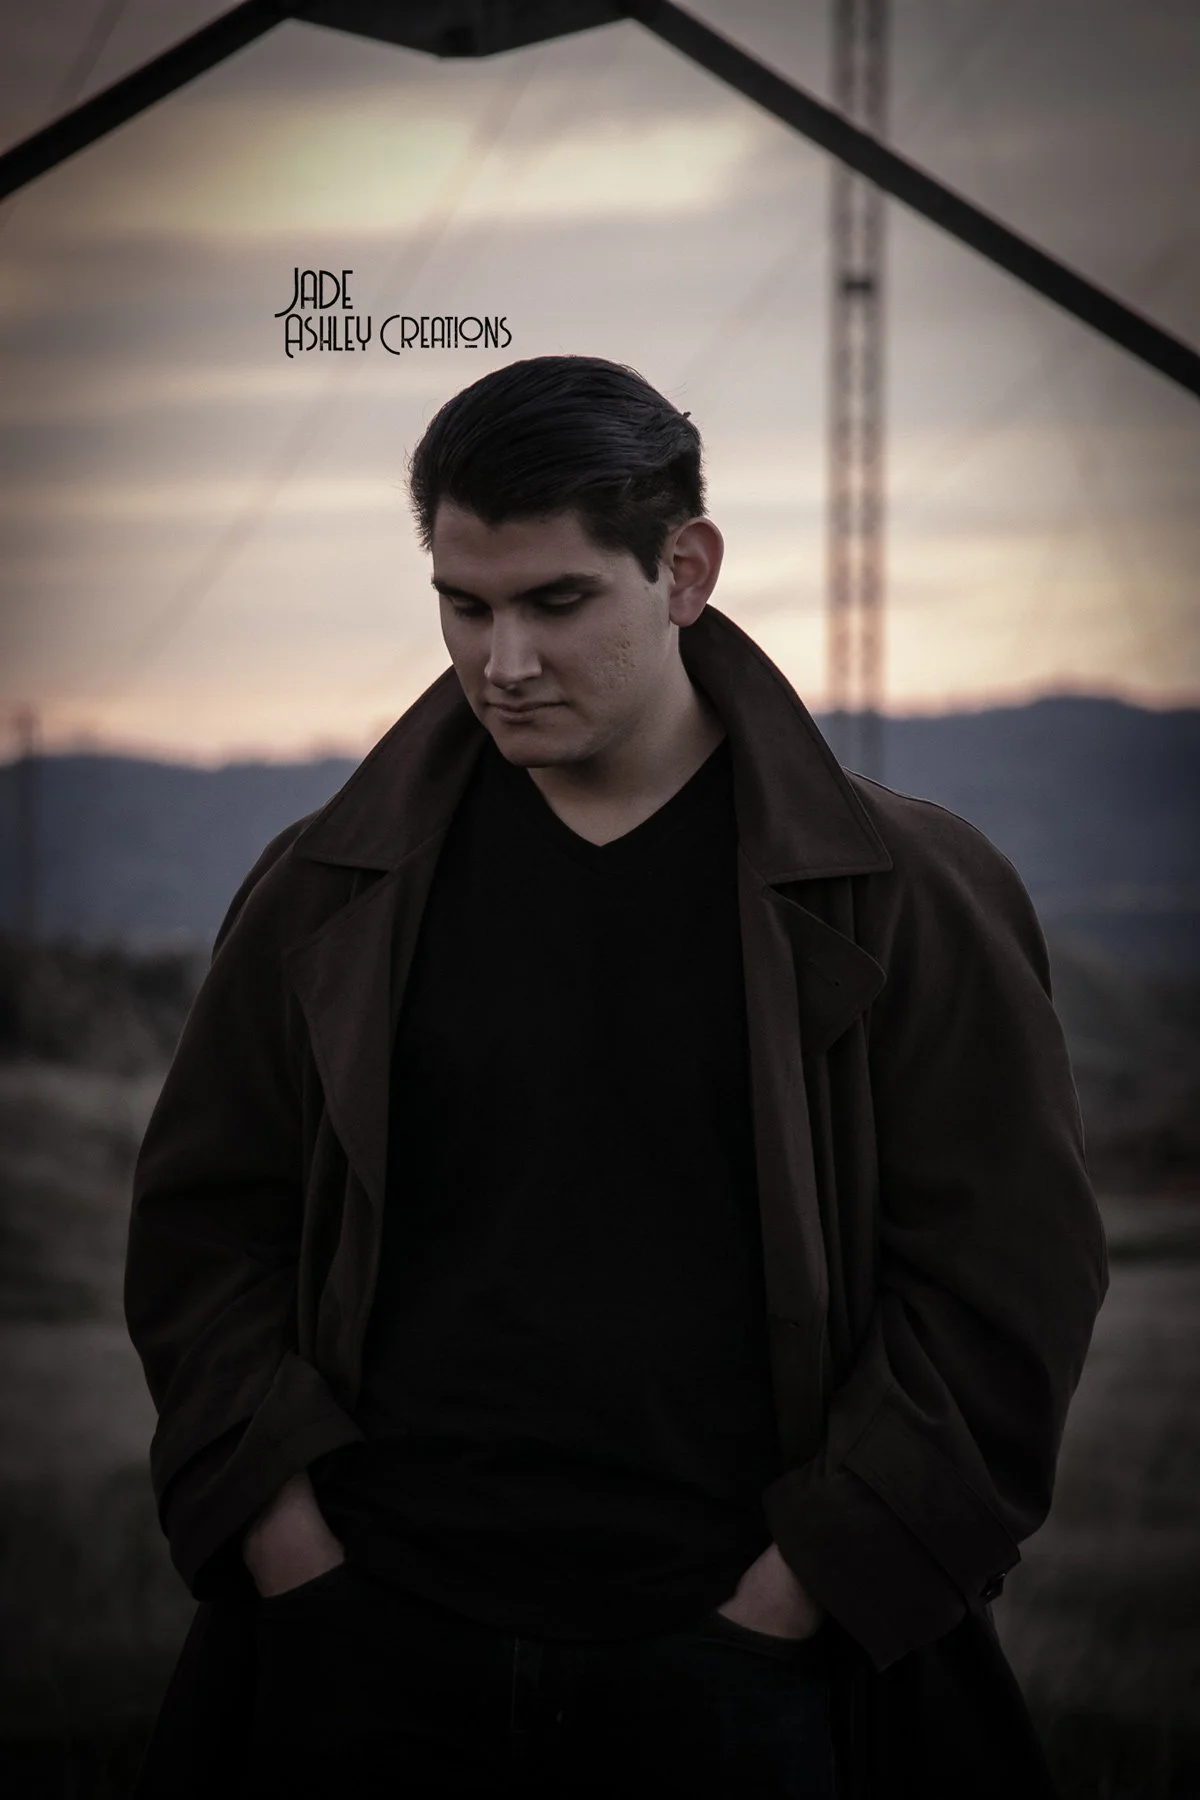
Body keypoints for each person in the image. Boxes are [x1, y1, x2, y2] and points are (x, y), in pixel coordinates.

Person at [125, 355, 1108, 1800]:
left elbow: (1002, 1281)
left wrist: (796, 1595)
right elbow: (208, 1231)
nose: (500, 660)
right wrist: (297, 1560)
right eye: (466, 605)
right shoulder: (327, 888)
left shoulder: (906, 894)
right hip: (369, 1647)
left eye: (557, 601)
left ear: (685, 570)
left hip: (749, 1669)